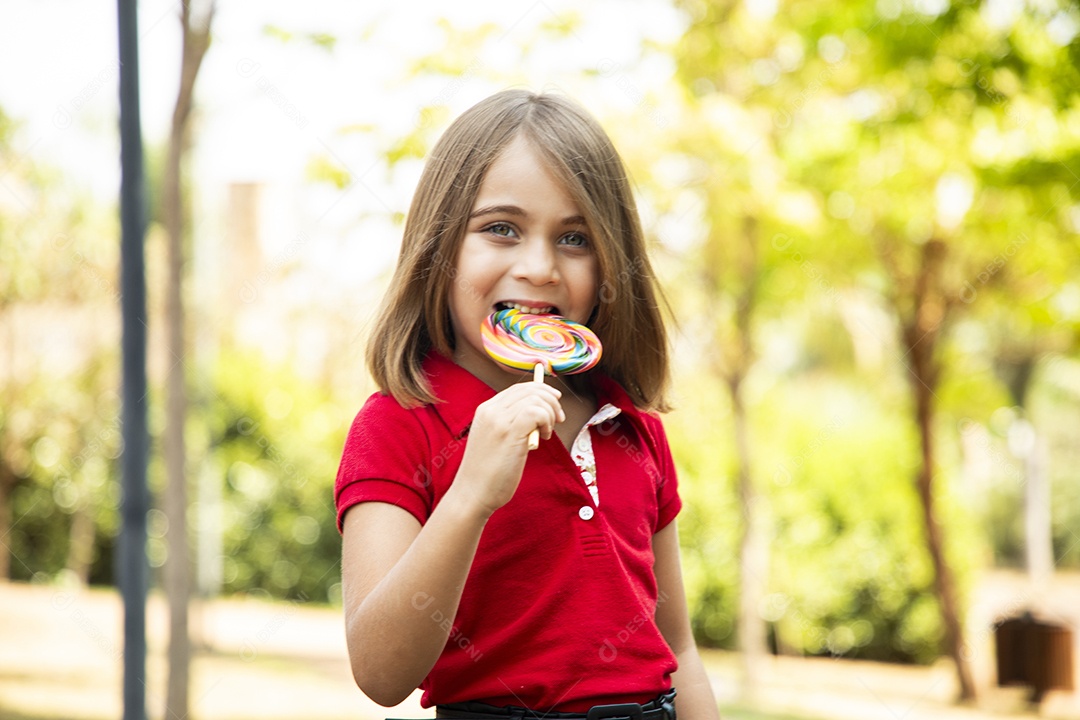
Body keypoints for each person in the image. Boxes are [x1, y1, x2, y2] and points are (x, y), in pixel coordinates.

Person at [335, 88, 720, 720]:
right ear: (438, 250)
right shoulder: (397, 425)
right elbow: (380, 674)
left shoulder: (633, 428)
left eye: (575, 238)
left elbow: (678, 645)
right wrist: (469, 496)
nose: (539, 267)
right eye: (501, 229)